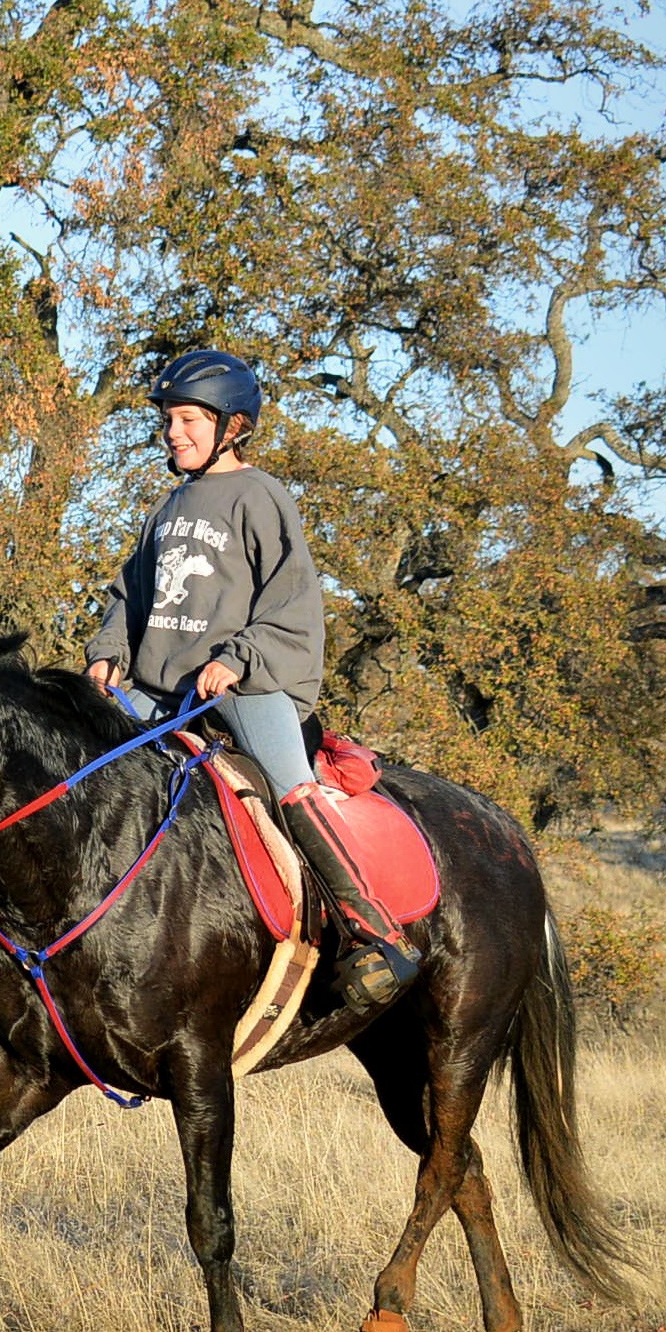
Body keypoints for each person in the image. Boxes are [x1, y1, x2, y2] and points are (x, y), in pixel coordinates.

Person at [84, 349, 419, 1012]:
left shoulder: (260, 496)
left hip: (247, 685)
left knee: (292, 789)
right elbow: (132, 592)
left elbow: (291, 601)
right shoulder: (171, 505)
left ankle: (373, 933)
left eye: (187, 419)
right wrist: (107, 649)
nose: (173, 431)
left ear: (231, 426)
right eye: (169, 420)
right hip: (162, 688)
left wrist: (237, 657)